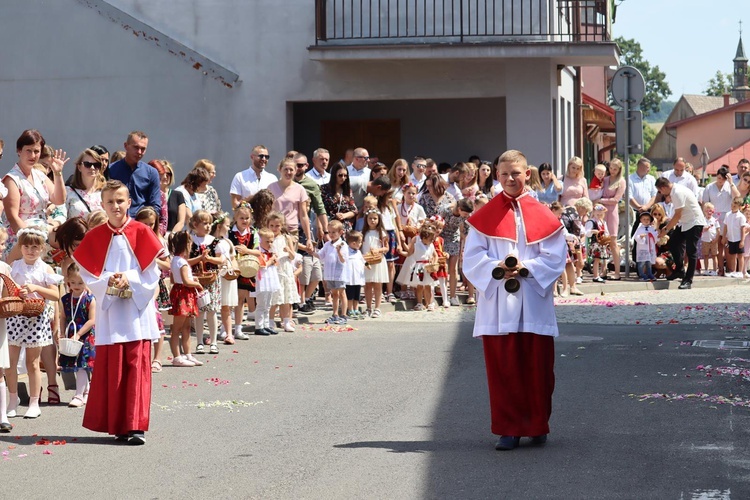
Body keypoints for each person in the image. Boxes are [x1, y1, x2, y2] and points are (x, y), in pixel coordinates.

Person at [462, 149, 566, 451]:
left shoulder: (543, 213)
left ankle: (537, 424)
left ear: (527, 174)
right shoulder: (484, 216)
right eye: (505, 173)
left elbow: (555, 256)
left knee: (537, 366)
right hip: (498, 303)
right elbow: (472, 257)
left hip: (533, 299)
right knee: (503, 366)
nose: (510, 178)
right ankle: (508, 429)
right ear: (497, 175)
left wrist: (525, 269)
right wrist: (499, 269)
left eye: (516, 173)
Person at [73, 180, 163, 444]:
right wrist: (111, 280)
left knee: (136, 366)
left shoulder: (142, 231)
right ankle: (118, 426)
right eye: (110, 201)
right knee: (114, 368)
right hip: (110, 312)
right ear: (102, 204)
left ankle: (136, 426)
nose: (116, 206)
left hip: (136, 311)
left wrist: (130, 279)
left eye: (120, 201)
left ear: (129, 202)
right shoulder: (95, 237)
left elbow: (152, 273)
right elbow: (88, 275)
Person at [4, 227, 64, 419]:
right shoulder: (14, 266)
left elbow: (55, 294)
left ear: (42, 248)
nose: (30, 250)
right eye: (27, 246)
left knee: (33, 363)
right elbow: (8, 289)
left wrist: (36, 288)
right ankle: (13, 399)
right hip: (15, 318)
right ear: (20, 247)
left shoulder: (45, 268)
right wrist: (18, 292)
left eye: (35, 247)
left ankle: (34, 401)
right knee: (10, 362)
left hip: (36, 319)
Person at [2, 129, 67, 261]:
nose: (33, 155)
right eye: (29, 150)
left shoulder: (39, 175)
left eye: (36, 151)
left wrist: (58, 173)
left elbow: (59, 200)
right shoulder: (12, 179)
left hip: (43, 233)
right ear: (19, 151)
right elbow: (13, 218)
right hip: (23, 239)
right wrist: (32, 241)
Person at [655, 176, 706, 290]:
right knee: (673, 243)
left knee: (691, 251)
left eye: (660, 191)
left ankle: (688, 280)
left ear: (663, 188)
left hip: (694, 222)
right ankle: (679, 270)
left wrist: (666, 229)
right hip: (685, 223)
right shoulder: (674, 191)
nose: (661, 193)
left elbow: (678, 214)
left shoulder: (677, 192)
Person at [58, 263, 96, 408]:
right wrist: (62, 332)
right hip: (70, 333)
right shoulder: (66, 299)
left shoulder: (90, 299)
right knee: (77, 365)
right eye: (73, 282)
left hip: (85, 334)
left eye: (80, 282)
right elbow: (62, 317)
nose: (76, 285)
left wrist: (79, 334)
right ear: (68, 280)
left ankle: (79, 395)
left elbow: (92, 320)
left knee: (82, 365)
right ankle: (86, 391)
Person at [168, 231, 204, 367]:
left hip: (180, 292)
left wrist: (190, 279)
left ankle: (187, 354)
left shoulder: (175, 260)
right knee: (178, 328)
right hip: (184, 294)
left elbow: (173, 279)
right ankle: (177, 356)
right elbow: (186, 281)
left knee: (186, 327)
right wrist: (197, 284)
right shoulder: (182, 262)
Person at [189, 210, 223, 353]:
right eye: (205, 223)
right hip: (197, 280)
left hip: (211, 279)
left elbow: (221, 260)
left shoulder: (215, 242)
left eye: (209, 223)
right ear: (195, 225)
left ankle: (213, 341)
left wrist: (208, 259)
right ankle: (199, 341)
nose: (208, 226)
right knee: (199, 312)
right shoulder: (190, 241)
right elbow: (186, 260)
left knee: (212, 310)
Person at [108, 131, 162, 217]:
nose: (139, 152)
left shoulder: (151, 173)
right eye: (136, 147)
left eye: (143, 149)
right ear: (126, 146)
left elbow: (155, 205)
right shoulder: (111, 170)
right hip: (116, 221)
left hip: (141, 223)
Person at [228, 203, 258, 341]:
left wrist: (247, 251)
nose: (244, 221)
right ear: (235, 218)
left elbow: (258, 251)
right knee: (228, 299)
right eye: (241, 218)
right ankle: (225, 328)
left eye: (247, 218)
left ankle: (238, 328)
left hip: (246, 269)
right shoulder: (229, 232)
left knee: (241, 298)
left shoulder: (253, 233)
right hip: (230, 268)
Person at [267, 211, 300, 333]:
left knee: (286, 297)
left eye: (277, 226)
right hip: (273, 270)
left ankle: (286, 321)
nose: (274, 228)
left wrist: (288, 251)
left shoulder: (287, 238)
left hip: (285, 269)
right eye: (272, 226)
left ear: (282, 226)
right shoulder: (267, 238)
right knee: (274, 298)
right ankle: (270, 321)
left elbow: (292, 257)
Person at [703, 166, 739, 275]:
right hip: (714, 218)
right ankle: (720, 268)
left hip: (727, 217)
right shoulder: (709, 187)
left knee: (727, 244)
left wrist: (731, 182)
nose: (720, 181)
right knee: (718, 244)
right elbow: (704, 203)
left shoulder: (729, 186)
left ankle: (730, 268)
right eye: (718, 178)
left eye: (722, 178)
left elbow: (737, 197)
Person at [268, 158, 312, 244]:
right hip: (274, 230)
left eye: (291, 170)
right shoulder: (271, 188)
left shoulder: (300, 189)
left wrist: (309, 238)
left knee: (291, 256)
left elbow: (303, 215)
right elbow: (267, 212)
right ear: (280, 169)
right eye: (285, 169)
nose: (288, 172)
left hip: (292, 231)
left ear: (295, 171)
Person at [396, 224, 437, 311]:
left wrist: (434, 262)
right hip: (419, 267)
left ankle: (429, 303)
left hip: (428, 267)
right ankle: (419, 303)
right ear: (423, 238)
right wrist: (401, 251)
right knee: (419, 286)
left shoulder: (431, 246)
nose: (432, 241)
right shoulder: (416, 245)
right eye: (430, 239)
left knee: (428, 286)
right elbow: (408, 254)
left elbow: (435, 255)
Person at [211, 212, 236, 348]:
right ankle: (212, 334)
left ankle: (229, 333)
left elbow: (232, 257)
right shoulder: (211, 242)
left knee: (226, 306)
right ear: (219, 226)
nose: (229, 228)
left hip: (226, 276)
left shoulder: (227, 242)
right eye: (227, 225)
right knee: (213, 307)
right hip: (216, 276)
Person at [317, 220, 349, 325]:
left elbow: (343, 260)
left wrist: (339, 251)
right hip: (330, 273)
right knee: (334, 294)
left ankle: (343, 315)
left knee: (342, 293)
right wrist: (312, 251)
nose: (331, 234)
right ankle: (335, 314)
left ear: (340, 232)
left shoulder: (343, 244)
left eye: (333, 232)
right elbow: (320, 255)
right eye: (329, 232)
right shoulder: (327, 244)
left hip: (339, 274)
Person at [599, 158, 626, 280]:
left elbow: (616, 199)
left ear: (619, 169)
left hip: (612, 212)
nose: (612, 171)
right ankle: (603, 270)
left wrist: (601, 200)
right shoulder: (605, 180)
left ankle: (617, 272)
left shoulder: (621, 181)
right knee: (602, 241)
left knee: (613, 242)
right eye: (611, 168)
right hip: (601, 212)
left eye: (615, 169)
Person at [361, 209, 389, 318]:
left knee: (377, 284)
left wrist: (378, 250)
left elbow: (386, 248)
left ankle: (377, 308)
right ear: (366, 219)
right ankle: (368, 307)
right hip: (367, 260)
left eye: (375, 218)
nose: (372, 221)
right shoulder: (363, 233)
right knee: (367, 285)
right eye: (370, 218)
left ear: (379, 219)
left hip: (378, 261)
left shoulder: (381, 232)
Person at [254, 228, 281, 336]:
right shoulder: (258, 251)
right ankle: (259, 326)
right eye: (267, 241)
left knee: (268, 304)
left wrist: (274, 259)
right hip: (263, 280)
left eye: (271, 241)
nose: (270, 244)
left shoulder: (270, 251)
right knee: (261, 304)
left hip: (270, 279)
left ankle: (266, 325)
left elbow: (274, 264)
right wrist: (271, 260)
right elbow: (262, 265)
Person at [167, 166, 210, 233]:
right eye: (203, 185)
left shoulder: (195, 194)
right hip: (185, 232)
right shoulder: (182, 192)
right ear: (197, 183)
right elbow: (188, 217)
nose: (205, 188)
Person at [65, 148, 106, 219]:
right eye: (87, 164)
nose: (92, 168)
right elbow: (61, 217)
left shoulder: (105, 192)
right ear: (79, 167)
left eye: (96, 165)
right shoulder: (68, 192)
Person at [322, 163, 358, 233]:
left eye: (345, 176)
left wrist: (344, 215)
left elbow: (354, 210)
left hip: (344, 228)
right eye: (340, 175)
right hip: (329, 227)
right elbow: (319, 210)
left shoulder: (347, 191)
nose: (343, 178)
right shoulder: (323, 189)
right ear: (334, 175)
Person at [0, 236, 11, 432]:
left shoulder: (4, 269)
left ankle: (2, 416)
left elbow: (8, 296)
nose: (2, 247)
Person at [345, 230, 366, 319]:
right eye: (359, 242)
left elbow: (362, 260)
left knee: (357, 294)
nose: (360, 244)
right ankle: (350, 309)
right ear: (353, 243)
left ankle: (356, 308)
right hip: (350, 277)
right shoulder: (346, 251)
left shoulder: (358, 252)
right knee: (350, 294)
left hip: (357, 276)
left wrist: (367, 265)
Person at [723, 197, 746, 278]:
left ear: (739, 206)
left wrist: (742, 241)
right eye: (732, 204)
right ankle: (733, 271)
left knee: (740, 256)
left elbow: (743, 229)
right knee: (732, 256)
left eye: (735, 205)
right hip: (730, 239)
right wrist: (724, 237)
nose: (733, 206)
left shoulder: (741, 216)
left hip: (738, 238)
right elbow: (725, 226)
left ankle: (740, 272)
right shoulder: (727, 214)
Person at [634, 212, 658, 281]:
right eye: (644, 219)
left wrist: (656, 235)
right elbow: (636, 237)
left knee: (648, 262)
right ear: (641, 220)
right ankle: (642, 275)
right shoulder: (639, 229)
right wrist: (641, 237)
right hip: (643, 248)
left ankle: (649, 274)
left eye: (648, 219)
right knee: (641, 262)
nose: (646, 220)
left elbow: (655, 237)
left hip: (650, 248)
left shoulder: (651, 228)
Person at [700, 203, 721, 276]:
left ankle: (715, 270)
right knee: (705, 255)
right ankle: (706, 270)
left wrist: (716, 239)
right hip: (705, 240)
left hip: (713, 241)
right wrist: (704, 229)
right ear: (704, 211)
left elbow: (718, 230)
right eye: (707, 211)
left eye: (711, 211)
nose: (709, 213)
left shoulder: (715, 220)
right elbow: (700, 230)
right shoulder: (702, 220)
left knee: (714, 255)